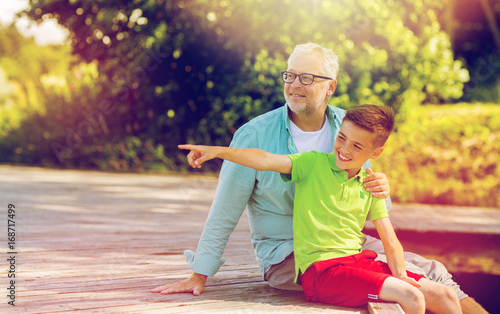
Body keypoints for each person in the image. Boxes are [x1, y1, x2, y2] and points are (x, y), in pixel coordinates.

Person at [151, 43, 486, 313]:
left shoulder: (350, 128)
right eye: (290, 75)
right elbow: (225, 211)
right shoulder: (255, 134)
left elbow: (368, 194)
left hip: (347, 247)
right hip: (291, 258)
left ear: (331, 87)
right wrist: (200, 274)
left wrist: (383, 190)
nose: (294, 85)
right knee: (406, 292)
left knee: (435, 272)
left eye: (307, 78)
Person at [176, 104, 461, 314]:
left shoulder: (369, 184)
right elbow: (264, 159)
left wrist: (398, 274)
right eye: (341, 138)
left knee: (445, 297)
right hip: (320, 271)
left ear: (375, 154)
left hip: (356, 260)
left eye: (356, 146)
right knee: (411, 297)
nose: (344, 150)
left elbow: (390, 240)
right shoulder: (312, 164)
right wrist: (219, 151)